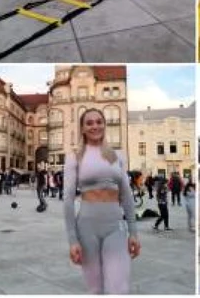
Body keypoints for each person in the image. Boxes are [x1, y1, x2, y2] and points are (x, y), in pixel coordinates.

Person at [63, 109, 140, 294]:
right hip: (87, 228)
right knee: (95, 289)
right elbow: (68, 199)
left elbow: (127, 195)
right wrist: (72, 240)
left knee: (119, 289)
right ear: (82, 128)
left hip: (115, 226)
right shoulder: (74, 156)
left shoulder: (117, 156)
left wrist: (134, 232)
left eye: (99, 121)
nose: (95, 126)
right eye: (89, 123)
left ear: (105, 125)